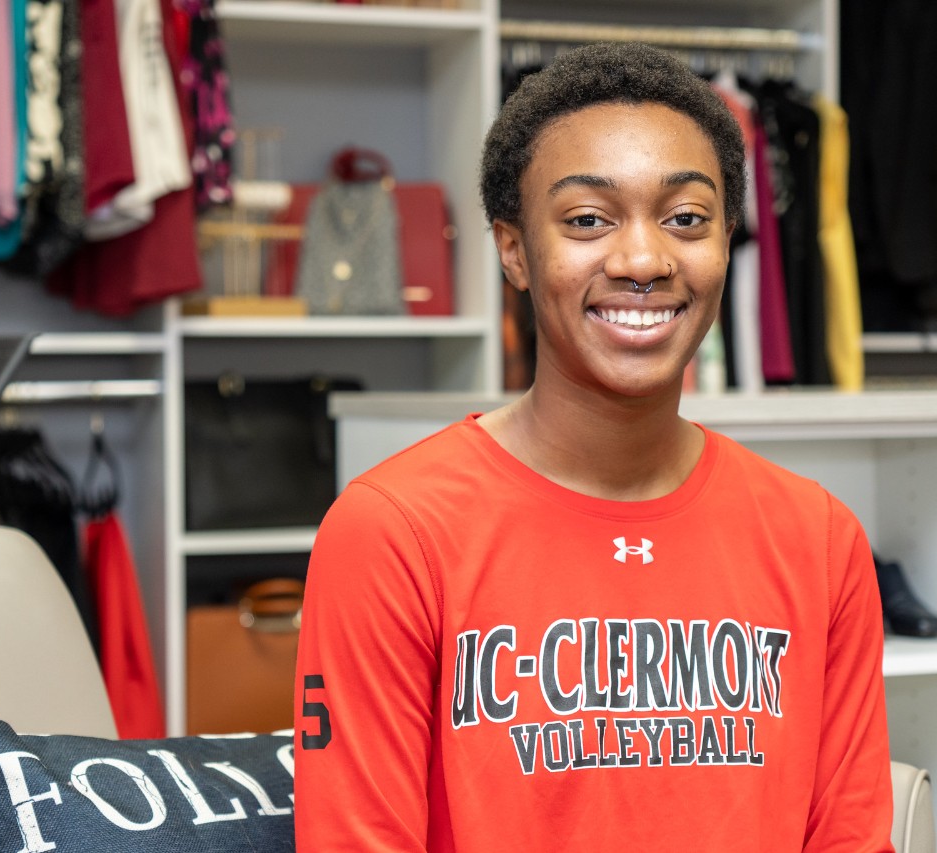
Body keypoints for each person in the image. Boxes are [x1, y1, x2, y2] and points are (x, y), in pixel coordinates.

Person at [293, 41, 893, 852]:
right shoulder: (392, 534)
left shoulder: (819, 539)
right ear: (513, 250)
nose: (643, 259)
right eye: (586, 220)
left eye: (686, 218)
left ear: (727, 242)